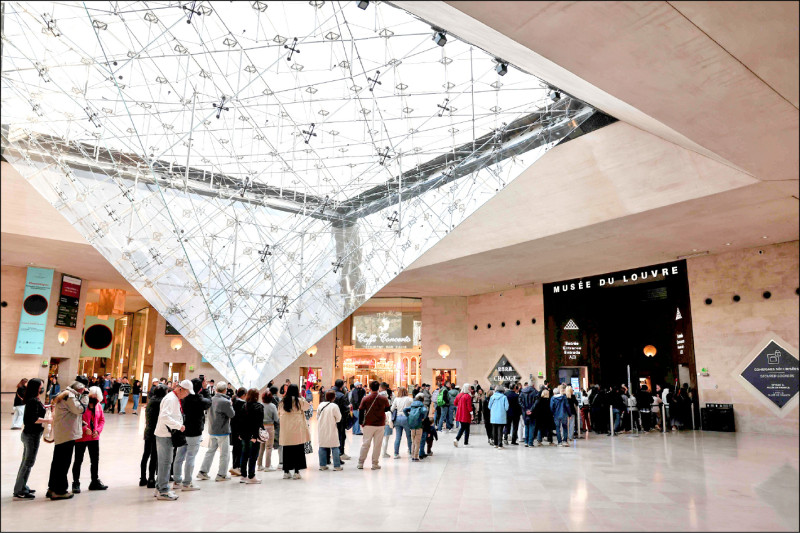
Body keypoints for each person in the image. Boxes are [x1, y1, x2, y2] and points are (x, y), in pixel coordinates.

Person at [47, 380, 89, 500]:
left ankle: (52, 488)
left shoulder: (66, 394)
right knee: (63, 463)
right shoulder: (70, 396)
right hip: (67, 434)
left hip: (63, 432)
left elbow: (70, 414)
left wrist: (80, 422)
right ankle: (60, 490)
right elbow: (80, 409)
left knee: (57, 462)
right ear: (80, 389)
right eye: (83, 390)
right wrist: (85, 397)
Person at [153, 380, 190, 501]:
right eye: (187, 392)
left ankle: (160, 487)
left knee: (165, 461)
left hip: (167, 434)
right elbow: (164, 416)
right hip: (165, 434)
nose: (187, 395)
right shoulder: (170, 399)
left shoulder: (173, 398)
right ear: (181, 389)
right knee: (165, 462)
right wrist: (179, 426)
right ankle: (163, 490)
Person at [13, 378, 50, 499]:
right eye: (40, 387)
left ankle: (22, 486)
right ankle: (19, 489)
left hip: (31, 434)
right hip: (31, 435)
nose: (42, 389)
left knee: (27, 461)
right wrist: (48, 421)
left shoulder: (34, 400)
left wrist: (47, 407)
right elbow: (33, 419)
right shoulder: (33, 401)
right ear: (36, 388)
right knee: (28, 462)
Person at [173, 378, 210, 491]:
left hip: (183, 430)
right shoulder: (199, 399)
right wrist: (205, 390)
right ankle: (187, 483)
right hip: (195, 432)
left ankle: (177, 480)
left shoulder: (183, 398)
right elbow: (209, 402)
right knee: (191, 457)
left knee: (179, 457)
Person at [197, 381, 235, 482]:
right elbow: (232, 414)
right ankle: (221, 474)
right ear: (225, 390)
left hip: (212, 429)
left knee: (210, 451)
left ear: (216, 389)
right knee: (224, 453)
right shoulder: (226, 402)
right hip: (223, 430)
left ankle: (202, 471)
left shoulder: (211, 399)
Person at [72, 386, 107, 493]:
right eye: (92, 395)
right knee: (78, 460)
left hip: (94, 437)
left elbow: (102, 420)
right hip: (81, 437)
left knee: (95, 460)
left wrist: (98, 430)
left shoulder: (99, 406)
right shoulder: (82, 405)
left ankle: (94, 481)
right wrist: (84, 428)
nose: (93, 398)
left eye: (95, 396)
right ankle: (76, 482)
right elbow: (77, 419)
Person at [278, 384, 311, 479]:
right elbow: (307, 407)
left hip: (286, 431)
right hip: (297, 431)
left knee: (287, 451)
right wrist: (301, 397)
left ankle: (286, 472)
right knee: (298, 451)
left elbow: (278, 413)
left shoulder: (282, 402)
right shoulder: (299, 401)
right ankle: (296, 472)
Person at [357, 381, 391, 470]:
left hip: (368, 424)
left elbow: (361, 411)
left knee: (365, 444)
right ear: (379, 388)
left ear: (370, 388)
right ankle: (375, 463)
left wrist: (361, 422)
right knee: (377, 445)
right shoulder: (383, 399)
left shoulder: (365, 398)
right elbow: (387, 409)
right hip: (380, 424)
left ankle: (361, 463)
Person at [141, 384, 166, 488]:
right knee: (154, 455)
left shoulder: (151, 400)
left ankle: (143, 478)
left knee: (146, 454)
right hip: (155, 431)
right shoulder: (160, 402)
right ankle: (151, 478)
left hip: (148, 430)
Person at [238, 388, 264, 484]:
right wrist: (255, 436)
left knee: (244, 454)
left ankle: (243, 475)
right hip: (253, 435)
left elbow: (240, 421)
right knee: (253, 455)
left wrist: (240, 434)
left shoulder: (243, 406)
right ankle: (251, 476)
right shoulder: (259, 407)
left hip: (244, 434)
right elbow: (258, 423)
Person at [317, 390, 343, 471]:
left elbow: (317, 417)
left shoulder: (320, 405)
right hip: (332, 427)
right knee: (334, 446)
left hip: (321, 427)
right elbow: (338, 418)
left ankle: (322, 465)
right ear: (334, 397)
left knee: (322, 446)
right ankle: (337, 466)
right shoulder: (334, 406)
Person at [329, 379, 351, 460]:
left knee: (331, 435)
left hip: (329, 418)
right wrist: (348, 408)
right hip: (340, 419)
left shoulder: (328, 392)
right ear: (342, 386)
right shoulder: (341, 395)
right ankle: (340, 453)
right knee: (341, 436)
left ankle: (331, 454)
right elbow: (345, 408)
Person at [256, 390, 278, 472]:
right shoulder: (272, 406)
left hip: (261, 427)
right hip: (270, 427)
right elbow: (276, 418)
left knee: (261, 447)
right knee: (269, 447)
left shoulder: (260, 405)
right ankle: (267, 466)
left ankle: (259, 465)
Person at [391, 387, 414, 458]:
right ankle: (410, 452)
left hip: (397, 418)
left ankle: (396, 453)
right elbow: (413, 407)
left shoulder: (396, 399)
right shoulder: (409, 399)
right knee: (409, 436)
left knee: (398, 437)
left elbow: (392, 409)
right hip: (406, 418)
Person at [229, 387, 247, 476]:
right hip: (240, 428)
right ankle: (237, 467)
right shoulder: (243, 404)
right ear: (244, 395)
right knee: (240, 448)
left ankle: (234, 465)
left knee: (235, 448)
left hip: (233, 427)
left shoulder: (233, 402)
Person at [406, 393, 428, 461]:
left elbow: (405, 410)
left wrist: (408, 416)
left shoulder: (412, 406)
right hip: (419, 425)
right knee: (417, 442)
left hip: (412, 425)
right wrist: (423, 417)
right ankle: (416, 457)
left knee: (413, 441)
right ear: (422, 400)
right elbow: (425, 410)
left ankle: (412, 455)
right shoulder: (422, 406)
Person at [488, 384, 509, 449]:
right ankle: (500, 444)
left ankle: (495, 444)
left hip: (494, 416)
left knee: (494, 430)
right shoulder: (504, 397)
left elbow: (489, 406)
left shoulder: (492, 397)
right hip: (501, 416)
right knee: (500, 430)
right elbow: (507, 407)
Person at [519, 382, 539, 447]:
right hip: (533, 412)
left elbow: (520, 401)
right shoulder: (535, 392)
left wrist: (525, 409)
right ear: (533, 385)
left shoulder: (522, 392)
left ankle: (526, 442)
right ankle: (530, 443)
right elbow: (536, 402)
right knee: (532, 427)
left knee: (526, 426)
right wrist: (531, 410)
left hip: (525, 413)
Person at [380, 390, 394, 459]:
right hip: (386, 423)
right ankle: (384, 452)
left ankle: (383, 452)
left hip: (380, 424)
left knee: (382, 439)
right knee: (386, 439)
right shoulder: (387, 405)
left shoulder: (378, 405)